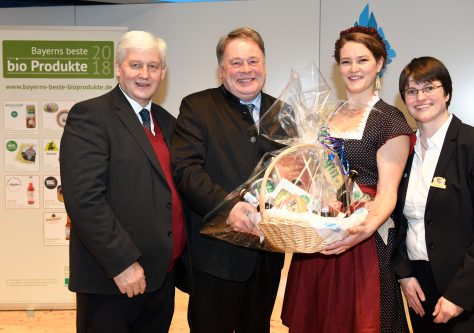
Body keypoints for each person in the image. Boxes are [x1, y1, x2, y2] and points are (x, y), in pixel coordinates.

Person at [281, 26, 413, 332]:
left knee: (362, 319)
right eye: (346, 61)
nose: (353, 69)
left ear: (380, 63)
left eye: (362, 60)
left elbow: (387, 194)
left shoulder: (390, 120)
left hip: (362, 241)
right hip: (319, 238)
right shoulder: (325, 115)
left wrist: (359, 231)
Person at [60, 30, 187, 332]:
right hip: (114, 279)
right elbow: (84, 199)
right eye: (135, 65)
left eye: (153, 66)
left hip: (160, 279)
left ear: (163, 72)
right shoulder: (91, 116)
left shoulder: (167, 122)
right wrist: (122, 263)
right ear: (118, 68)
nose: (145, 74)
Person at [171, 27, 284, 333]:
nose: (245, 70)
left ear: (264, 65)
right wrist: (228, 208)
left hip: (266, 257)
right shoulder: (197, 107)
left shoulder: (283, 113)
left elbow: (293, 175)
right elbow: (186, 170)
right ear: (221, 70)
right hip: (215, 258)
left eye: (253, 61)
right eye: (235, 63)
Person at [392, 56, 474, 333]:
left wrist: (459, 295)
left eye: (430, 88)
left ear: (447, 93)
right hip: (420, 288)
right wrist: (404, 273)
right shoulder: (404, 150)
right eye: (412, 91)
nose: (421, 97)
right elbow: (398, 221)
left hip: (470, 292)